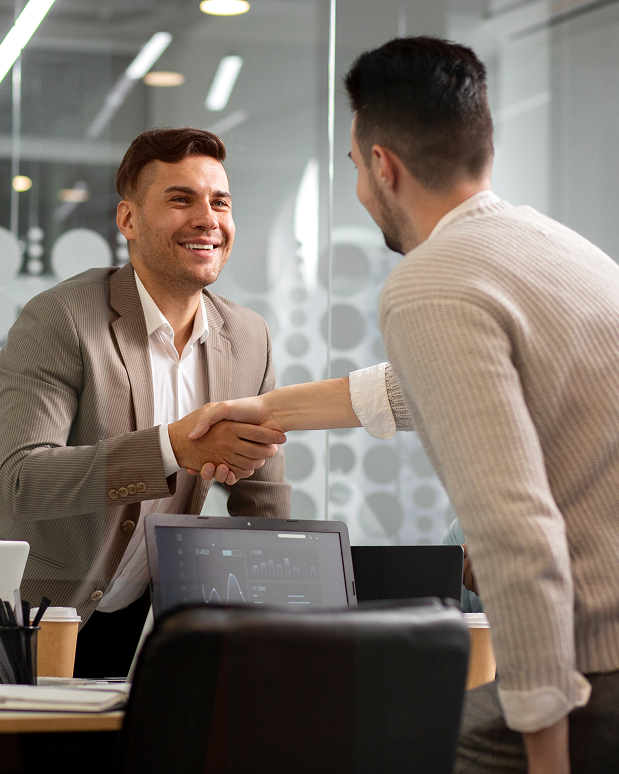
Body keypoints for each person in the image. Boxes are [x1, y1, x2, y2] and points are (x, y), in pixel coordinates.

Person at [188, 37, 619, 774]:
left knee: (366, 742)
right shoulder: (561, 251)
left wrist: (546, 750)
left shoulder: (433, 282)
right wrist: (265, 409)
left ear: (384, 166)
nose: (360, 189)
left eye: (356, 168)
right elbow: (414, 386)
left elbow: (517, 532)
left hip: (594, 679)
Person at [0, 127, 295, 678]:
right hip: (21, 613)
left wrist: (285, 631)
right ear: (128, 220)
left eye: (220, 202)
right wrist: (171, 448)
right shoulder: (61, 318)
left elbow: (262, 500)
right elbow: (21, 478)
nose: (207, 218)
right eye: (180, 199)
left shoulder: (248, 337)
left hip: (130, 620)